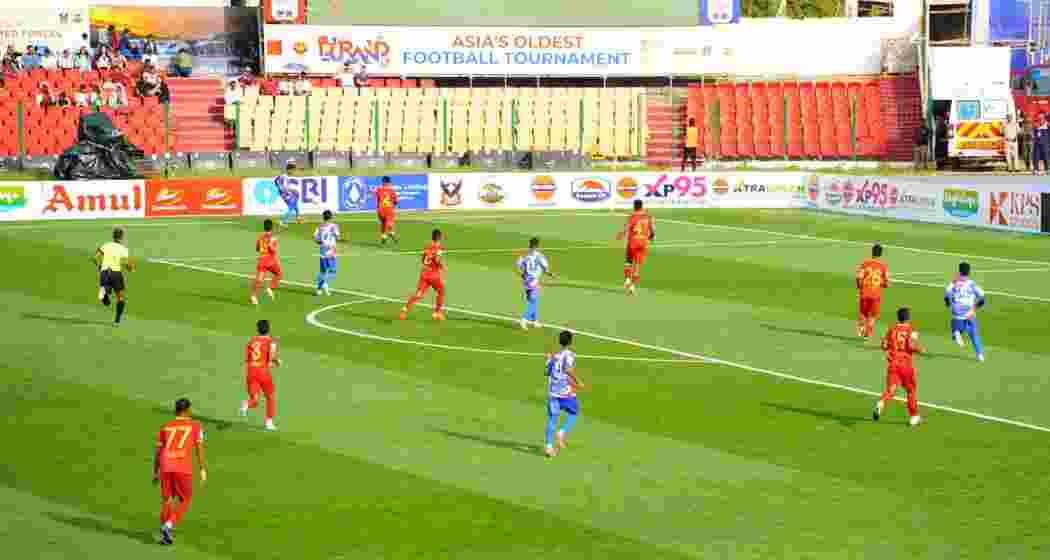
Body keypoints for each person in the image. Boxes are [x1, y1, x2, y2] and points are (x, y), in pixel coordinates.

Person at [154, 398, 207, 546]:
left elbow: (158, 452)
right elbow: (199, 449)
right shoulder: (195, 426)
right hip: (182, 467)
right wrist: (202, 469)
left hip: (165, 466)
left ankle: (165, 536)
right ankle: (169, 524)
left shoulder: (165, 427)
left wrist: (155, 471)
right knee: (186, 499)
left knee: (167, 500)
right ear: (187, 410)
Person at [872, 307, 925, 427]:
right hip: (906, 365)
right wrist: (920, 349)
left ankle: (881, 403)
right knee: (911, 390)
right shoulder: (911, 330)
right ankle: (914, 417)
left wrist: (890, 350)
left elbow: (884, 345)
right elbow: (910, 346)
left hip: (893, 364)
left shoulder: (892, 329)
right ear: (908, 318)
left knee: (891, 390)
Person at [544, 330, 585, 457]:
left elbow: (546, 373)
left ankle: (549, 446)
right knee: (574, 411)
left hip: (553, 392)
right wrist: (578, 382)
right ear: (570, 342)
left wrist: (548, 360)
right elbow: (568, 370)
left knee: (552, 419)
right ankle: (561, 432)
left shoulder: (554, 357)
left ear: (559, 342)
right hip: (565, 393)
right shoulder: (570, 355)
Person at [240, 319, 280, 431]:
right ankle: (269, 422)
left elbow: (248, 359)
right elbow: (271, 357)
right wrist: (276, 362)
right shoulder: (271, 341)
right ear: (269, 329)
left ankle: (247, 404)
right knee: (270, 397)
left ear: (257, 329)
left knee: (255, 400)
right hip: (263, 372)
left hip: (251, 372)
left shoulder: (251, 341)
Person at [399, 228, 447, 321]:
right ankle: (437, 313)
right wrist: (442, 266)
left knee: (418, 294)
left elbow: (423, 258)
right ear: (439, 237)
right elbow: (437, 259)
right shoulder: (439, 248)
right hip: (433, 275)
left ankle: (404, 310)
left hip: (424, 273)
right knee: (441, 291)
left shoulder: (427, 246)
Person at [945, 262, 986, 362]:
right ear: (969, 272)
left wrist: (949, 305)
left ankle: (956, 333)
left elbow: (946, 297)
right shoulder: (972, 284)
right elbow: (982, 299)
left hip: (957, 314)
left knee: (954, 327)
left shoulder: (953, 284)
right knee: (974, 334)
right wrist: (974, 308)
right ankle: (980, 355)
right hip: (969, 314)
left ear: (959, 272)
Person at [96, 227, 134, 325]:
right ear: (122, 237)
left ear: (113, 236)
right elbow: (128, 265)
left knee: (105, 290)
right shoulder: (123, 249)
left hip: (104, 272)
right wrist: (130, 268)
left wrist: (99, 266)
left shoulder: (106, 245)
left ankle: (104, 293)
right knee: (120, 297)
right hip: (116, 273)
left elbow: (95, 257)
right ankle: (117, 321)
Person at [615, 199, 655, 295]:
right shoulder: (648, 217)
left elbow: (627, 227)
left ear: (634, 207)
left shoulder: (632, 217)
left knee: (628, 262)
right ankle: (632, 287)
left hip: (633, 242)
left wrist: (621, 234)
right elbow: (652, 230)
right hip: (643, 243)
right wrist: (651, 237)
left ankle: (627, 280)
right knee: (637, 266)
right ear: (642, 206)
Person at [516, 237, 555, 330]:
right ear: (537, 246)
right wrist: (551, 274)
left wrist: (522, 275)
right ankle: (524, 319)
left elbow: (518, 267)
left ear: (529, 244)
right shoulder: (540, 256)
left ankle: (535, 321)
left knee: (534, 300)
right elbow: (545, 269)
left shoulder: (524, 255)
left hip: (526, 280)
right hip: (534, 281)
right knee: (532, 302)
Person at [855, 243, 889, 339]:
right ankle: (868, 332)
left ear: (872, 252)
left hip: (864, 292)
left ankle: (861, 330)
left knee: (863, 313)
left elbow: (859, 277)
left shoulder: (865, 264)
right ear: (881, 254)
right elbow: (886, 282)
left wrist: (859, 286)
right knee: (873, 315)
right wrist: (883, 284)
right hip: (876, 294)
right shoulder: (883, 266)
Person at [251, 219, 282, 306]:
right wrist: (272, 246)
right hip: (270, 261)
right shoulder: (272, 238)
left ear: (264, 227)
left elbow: (257, 249)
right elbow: (273, 250)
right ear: (271, 228)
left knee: (259, 279)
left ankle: (254, 296)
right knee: (279, 274)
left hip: (261, 261)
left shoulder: (260, 237)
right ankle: (270, 288)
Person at [313, 209, 342, 296]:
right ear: (331, 217)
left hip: (323, 251)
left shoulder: (319, 227)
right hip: (331, 251)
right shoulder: (334, 226)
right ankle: (324, 283)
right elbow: (338, 237)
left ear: (323, 217)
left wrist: (321, 242)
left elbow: (315, 239)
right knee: (333, 271)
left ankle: (319, 289)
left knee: (323, 271)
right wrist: (337, 237)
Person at [375, 175, 399, 244]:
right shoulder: (392, 191)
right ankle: (390, 233)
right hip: (389, 210)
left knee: (384, 223)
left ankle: (384, 236)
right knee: (389, 223)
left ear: (383, 182)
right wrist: (393, 203)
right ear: (389, 182)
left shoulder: (378, 190)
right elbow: (396, 201)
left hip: (380, 210)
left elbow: (376, 197)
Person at [275, 161, 301, 227]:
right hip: (286, 194)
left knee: (294, 204)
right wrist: (293, 190)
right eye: (293, 170)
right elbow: (285, 188)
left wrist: (279, 187)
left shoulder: (282, 175)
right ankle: (283, 221)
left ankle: (298, 217)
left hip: (283, 194)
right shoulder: (285, 177)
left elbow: (275, 180)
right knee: (291, 207)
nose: (294, 172)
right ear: (289, 170)